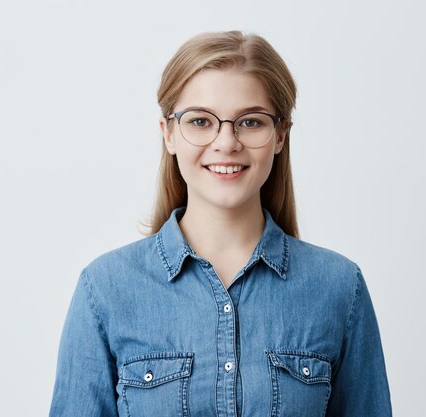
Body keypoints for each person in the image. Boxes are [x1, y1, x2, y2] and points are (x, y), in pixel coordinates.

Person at [49, 30, 392, 417]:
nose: (226, 142)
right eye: (200, 121)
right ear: (169, 134)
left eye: (250, 122)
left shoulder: (339, 287)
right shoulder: (106, 289)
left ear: (281, 135)